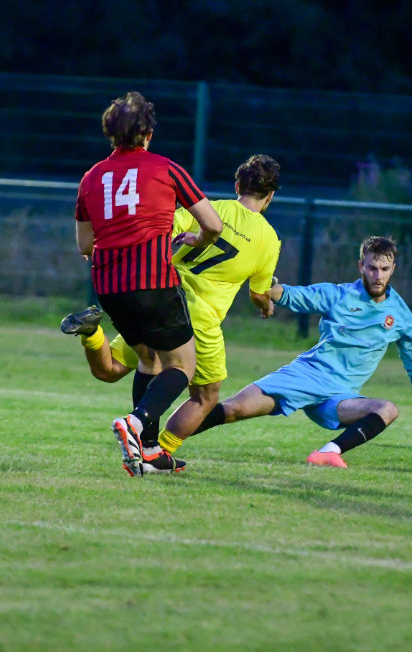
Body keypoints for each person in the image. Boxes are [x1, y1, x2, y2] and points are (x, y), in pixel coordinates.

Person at [63, 154, 283, 475]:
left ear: (237, 185)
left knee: (112, 369)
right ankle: (157, 452)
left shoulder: (210, 209)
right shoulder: (269, 239)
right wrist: (266, 306)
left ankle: (92, 333)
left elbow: (165, 228)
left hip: (164, 296)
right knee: (205, 395)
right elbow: (258, 293)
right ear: (270, 196)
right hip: (201, 317)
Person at [182, 235, 412, 467]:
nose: (378, 275)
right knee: (233, 409)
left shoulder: (402, 317)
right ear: (361, 266)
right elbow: (291, 295)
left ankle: (328, 453)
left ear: (393, 268)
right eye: (372, 268)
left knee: (387, 409)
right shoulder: (339, 295)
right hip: (306, 377)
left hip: (339, 398)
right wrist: (265, 286)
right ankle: (160, 441)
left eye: (384, 269)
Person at [74, 91, 223, 477]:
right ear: (148, 133)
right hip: (153, 281)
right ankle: (135, 423)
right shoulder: (166, 169)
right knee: (182, 365)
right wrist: (198, 240)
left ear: (110, 134)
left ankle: (150, 451)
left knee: (149, 361)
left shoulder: (91, 178)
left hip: (109, 286)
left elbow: (84, 245)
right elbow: (213, 224)